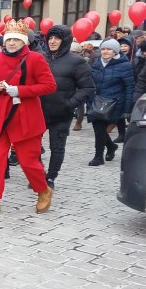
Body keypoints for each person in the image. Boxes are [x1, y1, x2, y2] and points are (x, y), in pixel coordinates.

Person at [0, 20, 57, 215]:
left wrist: (20, 91)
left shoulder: (35, 59)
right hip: (2, 114)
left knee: (28, 161)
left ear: (24, 41)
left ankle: (43, 190)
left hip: (25, 115)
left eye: (16, 39)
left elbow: (49, 86)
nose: (11, 43)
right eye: (9, 39)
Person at [40, 25, 95, 187]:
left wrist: (69, 104)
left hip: (61, 113)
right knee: (33, 148)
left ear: (65, 40)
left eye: (56, 38)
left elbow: (88, 88)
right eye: (50, 38)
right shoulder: (40, 58)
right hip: (39, 112)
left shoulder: (77, 62)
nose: (53, 41)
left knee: (57, 148)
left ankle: (50, 177)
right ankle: (39, 173)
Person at [86, 39, 134, 166]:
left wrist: (127, 108)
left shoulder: (124, 65)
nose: (105, 52)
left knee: (99, 127)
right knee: (98, 127)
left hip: (113, 102)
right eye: (103, 49)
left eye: (109, 49)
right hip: (96, 100)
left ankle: (98, 156)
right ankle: (111, 146)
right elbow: (89, 81)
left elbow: (129, 87)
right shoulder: (96, 62)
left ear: (115, 51)